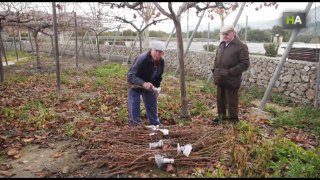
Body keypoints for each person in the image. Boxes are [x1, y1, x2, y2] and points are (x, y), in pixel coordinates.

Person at [210, 24, 250, 124]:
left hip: (232, 79)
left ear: (233, 33)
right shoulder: (222, 45)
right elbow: (217, 58)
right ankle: (221, 117)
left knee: (232, 101)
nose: (224, 36)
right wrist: (215, 70)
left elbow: (245, 64)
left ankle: (233, 120)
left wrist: (230, 72)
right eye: (223, 34)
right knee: (220, 99)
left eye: (226, 34)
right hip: (220, 77)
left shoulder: (241, 47)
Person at [127, 41, 166, 126]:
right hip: (135, 85)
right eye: (156, 51)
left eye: (160, 52)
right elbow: (130, 76)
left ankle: (155, 124)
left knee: (152, 104)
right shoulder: (142, 59)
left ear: (163, 53)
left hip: (149, 85)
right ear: (151, 50)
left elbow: (158, 76)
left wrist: (157, 88)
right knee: (134, 105)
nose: (158, 53)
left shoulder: (161, 61)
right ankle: (136, 126)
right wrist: (143, 83)